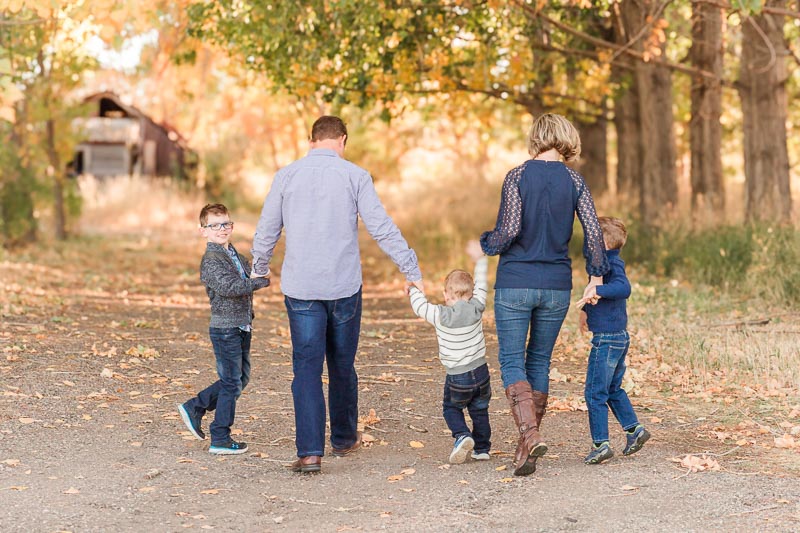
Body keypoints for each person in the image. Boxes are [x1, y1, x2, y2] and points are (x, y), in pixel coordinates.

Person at [251, 115, 423, 473]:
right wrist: (411, 270)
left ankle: (310, 452)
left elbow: (268, 228)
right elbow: (381, 227)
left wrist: (259, 268)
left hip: (302, 289)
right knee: (342, 365)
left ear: (311, 140)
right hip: (344, 287)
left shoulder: (286, 176)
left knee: (306, 368)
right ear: (342, 140)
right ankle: (344, 439)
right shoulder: (355, 176)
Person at [479, 113, 610, 476]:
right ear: (566, 138)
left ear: (536, 137)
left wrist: (486, 243)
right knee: (538, 361)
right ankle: (528, 445)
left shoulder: (518, 176)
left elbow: (508, 231)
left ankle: (530, 434)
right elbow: (594, 234)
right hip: (555, 284)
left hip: (515, 281)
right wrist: (595, 277)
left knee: (510, 360)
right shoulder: (574, 180)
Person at [177, 203, 271, 455]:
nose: (222, 229)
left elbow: (251, 272)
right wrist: (259, 282)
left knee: (240, 379)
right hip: (225, 328)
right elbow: (229, 288)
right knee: (231, 383)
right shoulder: (211, 260)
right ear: (203, 231)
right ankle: (220, 436)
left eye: (226, 224)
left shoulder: (234, 255)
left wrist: (260, 269)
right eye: (214, 225)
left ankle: (196, 406)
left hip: (242, 325)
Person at [409, 241, 491, 464]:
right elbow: (482, 284)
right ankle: (482, 448)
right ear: (470, 293)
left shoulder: (440, 315)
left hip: (458, 375)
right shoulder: (477, 306)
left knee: (451, 407)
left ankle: (462, 435)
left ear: (446, 294)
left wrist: (413, 290)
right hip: (481, 371)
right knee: (480, 409)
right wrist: (481, 261)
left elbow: (420, 307)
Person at [578, 216, 650, 464]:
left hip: (608, 340)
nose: (587, 245)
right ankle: (634, 430)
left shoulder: (611, 264)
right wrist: (585, 312)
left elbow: (623, 287)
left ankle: (601, 444)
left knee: (594, 393)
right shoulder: (601, 265)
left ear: (604, 243)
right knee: (612, 389)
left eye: (591, 240)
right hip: (617, 337)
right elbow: (596, 295)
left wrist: (598, 290)